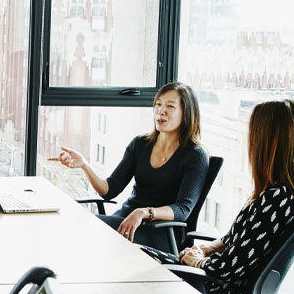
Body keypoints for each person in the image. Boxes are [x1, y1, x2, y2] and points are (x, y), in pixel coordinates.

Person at [142, 99, 294, 294]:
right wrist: (208, 248)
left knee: (138, 264)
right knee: (139, 257)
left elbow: (227, 269)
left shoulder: (275, 201)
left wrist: (197, 260)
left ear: (270, 143)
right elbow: (243, 240)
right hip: (226, 287)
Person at [49, 81, 208, 252]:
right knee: (71, 226)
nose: (161, 111)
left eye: (170, 106)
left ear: (187, 114)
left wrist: (144, 212)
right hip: (125, 221)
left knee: (82, 230)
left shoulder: (195, 155)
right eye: (158, 104)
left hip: (161, 233)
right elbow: (110, 190)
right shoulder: (141, 144)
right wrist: (84, 165)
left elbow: (183, 209)